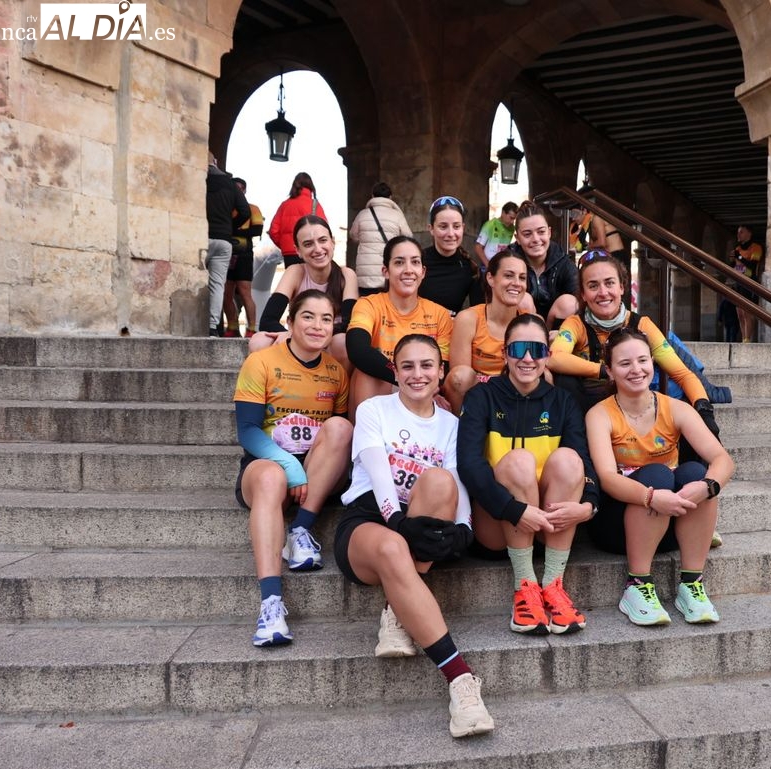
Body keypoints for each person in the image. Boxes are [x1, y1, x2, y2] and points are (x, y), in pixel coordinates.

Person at [334, 333, 494, 738]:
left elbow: (457, 480)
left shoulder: (452, 425)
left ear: (441, 372)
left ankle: (397, 609)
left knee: (439, 480)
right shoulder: (374, 409)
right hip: (370, 520)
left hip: (424, 516)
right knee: (392, 547)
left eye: (427, 365)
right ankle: (460, 679)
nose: (417, 374)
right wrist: (395, 521)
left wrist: (465, 527)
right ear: (395, 371)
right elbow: (378, 474)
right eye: (407, 366)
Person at [456, 313, 599, 637]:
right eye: (518, 349)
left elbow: (585, 463)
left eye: (536, 349)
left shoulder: (562, 400)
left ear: (547, 354)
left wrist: (589, 505)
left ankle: (553, 584)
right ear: (504, 352)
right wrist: (514, 509)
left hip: (547, 524)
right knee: (518, 461)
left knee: (569, 460)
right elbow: (469, 464)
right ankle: (524, 586)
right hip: (498, 521)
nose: (527, 358)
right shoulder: (481, 396)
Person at [585, 327, 735, 626]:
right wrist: (651, 496)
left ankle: (692, 584)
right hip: (618, 526)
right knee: (657, 475)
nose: (636, 369)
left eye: (643, 360)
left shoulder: (675, 408)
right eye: (625, 363)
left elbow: (723, 460)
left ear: (652, 364)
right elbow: (607, 477)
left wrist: (707, 486)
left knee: (696, 474)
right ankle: (637, 584)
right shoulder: (599, 414)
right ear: (610, 371)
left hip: (671, 524)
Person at [233, 290, 354, 646]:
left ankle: (300, 530)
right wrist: (289, 465)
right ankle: (270, 606)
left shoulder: (335, 372)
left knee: (341, 427)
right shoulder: (261, 362)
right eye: (308, 317)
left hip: (315, 474)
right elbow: (247, 431)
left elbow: (336, 440)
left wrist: (304, 470)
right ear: (290, 322)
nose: (318, 326)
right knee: (271, 476)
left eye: (326, 319)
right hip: (266, 465)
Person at [548, 250, 722, 444]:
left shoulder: (641, 324)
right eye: (593, 286)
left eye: (609, 283)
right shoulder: (575, 324)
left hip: (632, 407)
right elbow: (554, 357)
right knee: (564, 379)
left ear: (622, 287)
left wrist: (704, 409)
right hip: (588, 409)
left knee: (693, 412)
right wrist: (604, 371)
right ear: (583, 294)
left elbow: (682, 373)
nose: (603, 292)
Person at [346, 236, 454, 412]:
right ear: (386, 271)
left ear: (423, 272)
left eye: (415, 262)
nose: (408, 270)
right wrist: (403, 377)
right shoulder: (369, 304)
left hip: (422, 387)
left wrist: (422, 383)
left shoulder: (440, 314)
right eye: (399, 262)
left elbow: (443, 366)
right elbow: (357, 350)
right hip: (386, 382)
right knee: (365, 373)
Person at [251, 215, 357, 369]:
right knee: (259, 341)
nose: (317, 249)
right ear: (298, 251)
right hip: (300, 341)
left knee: (342, 341)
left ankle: (340, 384)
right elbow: (268, 320)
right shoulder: (295, 272)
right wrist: (295, 336)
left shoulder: (346, 275)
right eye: (308, 244)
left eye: (323, 240)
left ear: (332, 242)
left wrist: (317, 335)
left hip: (331, 342)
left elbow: (349, 323)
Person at [441, 249, 533, 410]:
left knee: (545, 375)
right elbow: (459, 378)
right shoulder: (468, 319)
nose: (517, 283)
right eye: (509, 275)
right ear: (490, 278)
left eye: (522, 278)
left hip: (516, 395)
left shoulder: (531, 322)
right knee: (460, 376)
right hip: (476, 398)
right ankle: (462, 425)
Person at [507, 201, 580, 329]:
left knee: (569, 302)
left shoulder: (563, 262)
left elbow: (580, 297)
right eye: (527, 234)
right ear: (517, 238)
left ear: (549, 233)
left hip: (556, 332)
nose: (536, 239)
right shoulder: (508, 261)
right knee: (523, 300)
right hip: (519, 330)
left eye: (541, 232)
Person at [205, 154, 250, 337]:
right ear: (215, 162)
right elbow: (245, 211)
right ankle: (213, 327)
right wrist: (230, 226)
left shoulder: (199, 180)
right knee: (217, 285)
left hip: (201, 236)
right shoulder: (230, 184)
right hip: (224, 240)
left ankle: (193, 323)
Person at [348, 181, 412, 297]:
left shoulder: (362, 214)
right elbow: (408, 237)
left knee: (367, 303)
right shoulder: (397, 215)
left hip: (366, 273)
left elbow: (353, 235)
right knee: (388, 304)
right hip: (388, 271)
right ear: (390, 197)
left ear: (372, 196)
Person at [419, 195, 481, 314]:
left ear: (463, 228)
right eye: (443, 227)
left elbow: (478, 313)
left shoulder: (470, 268)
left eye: (456, 226)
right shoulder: (417, 261)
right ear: (431, 229)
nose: (451, 233)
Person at [223, 176, 263, 338]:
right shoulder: (226, 208)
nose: (237, 191)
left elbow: (257, 230)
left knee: (245, 292)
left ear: (245, 190)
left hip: (244, 254)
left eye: (240, 188)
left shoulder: (253, 209)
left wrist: (233, 231)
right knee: (226, 293)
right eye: (235, 188)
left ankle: (251, 328)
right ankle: (232, 326)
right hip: (227, 254)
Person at [267, 173, 323, 267]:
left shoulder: (284, 205)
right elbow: (323, 229)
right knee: (310, 276)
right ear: (311, 186)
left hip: (289, 253)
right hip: (310, 251)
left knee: (292, 276)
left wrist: (285, 244)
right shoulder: (314, 205)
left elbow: (273, 231)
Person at [731, 224, 763, 343]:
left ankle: (747, 339)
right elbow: (734, 266)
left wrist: (739, 257)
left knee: (747, 312)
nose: (738, 235)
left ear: (749, 233)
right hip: (738, 282)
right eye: (738, 232)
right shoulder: (737, 248)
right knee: (739, 313)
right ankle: (744, 338)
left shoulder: (756, 247)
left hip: (750, 283)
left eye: (741, 232)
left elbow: (752, 266)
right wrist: (735, 260)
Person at [475, 202, 518, 269]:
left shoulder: (512, 228)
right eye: (511, 218)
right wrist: (488, 265)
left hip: (501, 265)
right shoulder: (490, 225)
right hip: (488, 264)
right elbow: (478, 247)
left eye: (514, 219)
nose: (512, 222)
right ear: (503, 213)